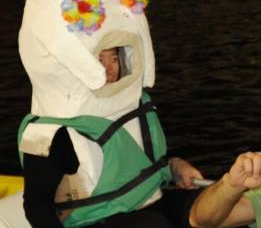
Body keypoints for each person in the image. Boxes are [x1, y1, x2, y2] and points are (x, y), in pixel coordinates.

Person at [23, 46, 205, 227]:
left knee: (213, 202)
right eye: (99, 60)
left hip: (144, 202)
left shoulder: (128, 108)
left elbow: (142, 163)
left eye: (114, 59)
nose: (109, 69)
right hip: (91, 220)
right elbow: (36, 206)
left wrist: (174, 166)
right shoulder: (52, 128)